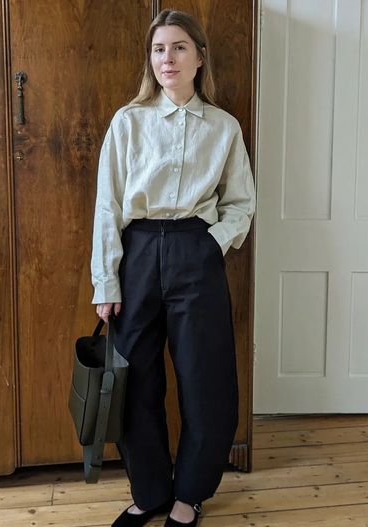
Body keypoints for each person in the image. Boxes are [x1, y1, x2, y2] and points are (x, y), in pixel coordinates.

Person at [91, 9, 255, 527]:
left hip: (195, 251)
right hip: (137, 253)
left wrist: (212, 245)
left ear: (200, 57)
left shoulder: (223, 127)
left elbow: (241, 204)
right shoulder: (128, 121)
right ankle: (151, 491)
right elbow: (107, 207)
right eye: (160, 49)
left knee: (204, 379)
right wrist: (106, 279)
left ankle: (189, 495)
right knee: (134, 379)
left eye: (180, 47)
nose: (169, 58)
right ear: (151, 59)